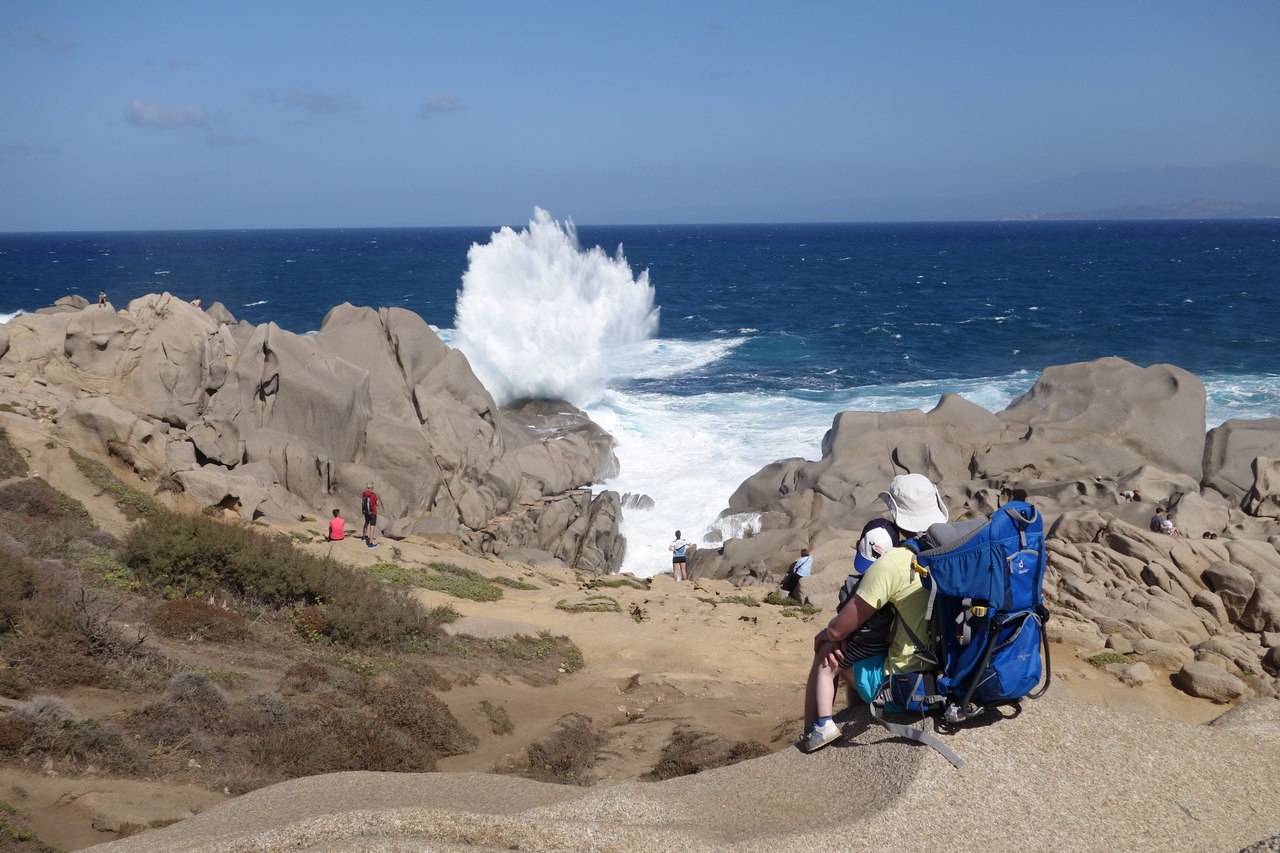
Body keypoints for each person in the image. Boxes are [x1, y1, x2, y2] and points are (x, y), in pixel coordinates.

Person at [801, 473, 949, 753]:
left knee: (828, 651)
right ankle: (853, 714)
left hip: (906, 685)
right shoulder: (950, 551)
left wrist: (826, 636)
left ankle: (813, 730)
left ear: (896, 513)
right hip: (946, 672)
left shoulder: (894, 563)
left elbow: (838, 629)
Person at [361, 483, 379, 549]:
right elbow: (377, 503)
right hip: (373, 513)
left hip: (366, 512)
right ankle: (370, 544)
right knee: (372, 528)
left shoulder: (364, 493)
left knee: (366, 523)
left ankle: (363, 537)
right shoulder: (374, 495)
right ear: (372, 487)